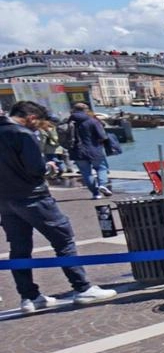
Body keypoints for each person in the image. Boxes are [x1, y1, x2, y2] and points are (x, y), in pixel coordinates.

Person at [0, 101, 116, 312]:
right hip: (35, 198)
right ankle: (82, 288)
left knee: (19, 249)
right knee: (63, 240)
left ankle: (29, 297)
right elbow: (36, 169)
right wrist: (50, 167)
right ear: (31, 118)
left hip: (6, 201)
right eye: (39, 123)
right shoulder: (23, 134)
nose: (38, 127)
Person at [66, 102, 112, 199]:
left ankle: (96, 194)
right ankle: (102, 185)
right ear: (86, 110)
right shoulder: (92, 121)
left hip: (77, 151)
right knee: (101, 168)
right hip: (94, 149)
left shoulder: (68, 122)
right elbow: (102, 136)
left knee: (86, 173)